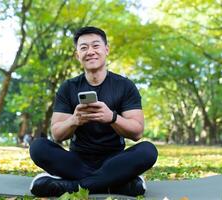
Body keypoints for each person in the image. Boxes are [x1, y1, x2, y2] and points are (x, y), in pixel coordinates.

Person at [29, 26, 158, 197]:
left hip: (115, 161)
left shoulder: (125, 86)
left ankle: (71, 187)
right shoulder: (68, 87)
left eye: (96, 46)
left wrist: (112, 117)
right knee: (38, 146)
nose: (90, 51)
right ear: (77, 55)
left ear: (106, 50)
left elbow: (137, 132)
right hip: (77, 162)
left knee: (148, 150)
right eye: (84, 47)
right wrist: (74, 120)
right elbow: (57, 135)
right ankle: (117, 184)